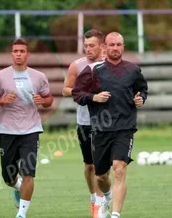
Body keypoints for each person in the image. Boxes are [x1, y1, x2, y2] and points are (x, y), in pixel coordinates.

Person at [72, 32, 148, 218]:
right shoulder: (93, 70)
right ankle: (107, 196)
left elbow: (142, 89)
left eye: (119, 44)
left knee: (120, 168)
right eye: (112, 45)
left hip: (125, 128)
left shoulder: (133, 70)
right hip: (100, 130)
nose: (115, 48)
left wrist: (141, 99)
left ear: (123, 46)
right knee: (101, 177)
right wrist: (93, 97)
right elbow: (77, 93)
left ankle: (115, 215)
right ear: (105, 47)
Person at [0, 38, 53, 218]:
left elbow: (49, 100)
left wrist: (42, 101)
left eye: (22, 51)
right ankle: (17, 187)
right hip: (7, 131)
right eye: (15, 51)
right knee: (8, 177)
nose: (18, 54)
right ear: (11, 54)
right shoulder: (0, 76)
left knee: (29, 173)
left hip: (31, 130)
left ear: (27, 54)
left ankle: (21, 214)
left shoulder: (39, 76)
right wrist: (2, 101)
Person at [62, 29, 105, 218]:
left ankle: (101, 202)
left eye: (91, 45)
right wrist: (85, 93)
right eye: (85, 45)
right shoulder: (77, 66)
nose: (88, 49)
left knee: (103, 166)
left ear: (101, 46)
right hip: (84, 122)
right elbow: (65, 90)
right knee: (89, 166)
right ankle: (93, 198)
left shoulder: (109, 65)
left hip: (106, 122)